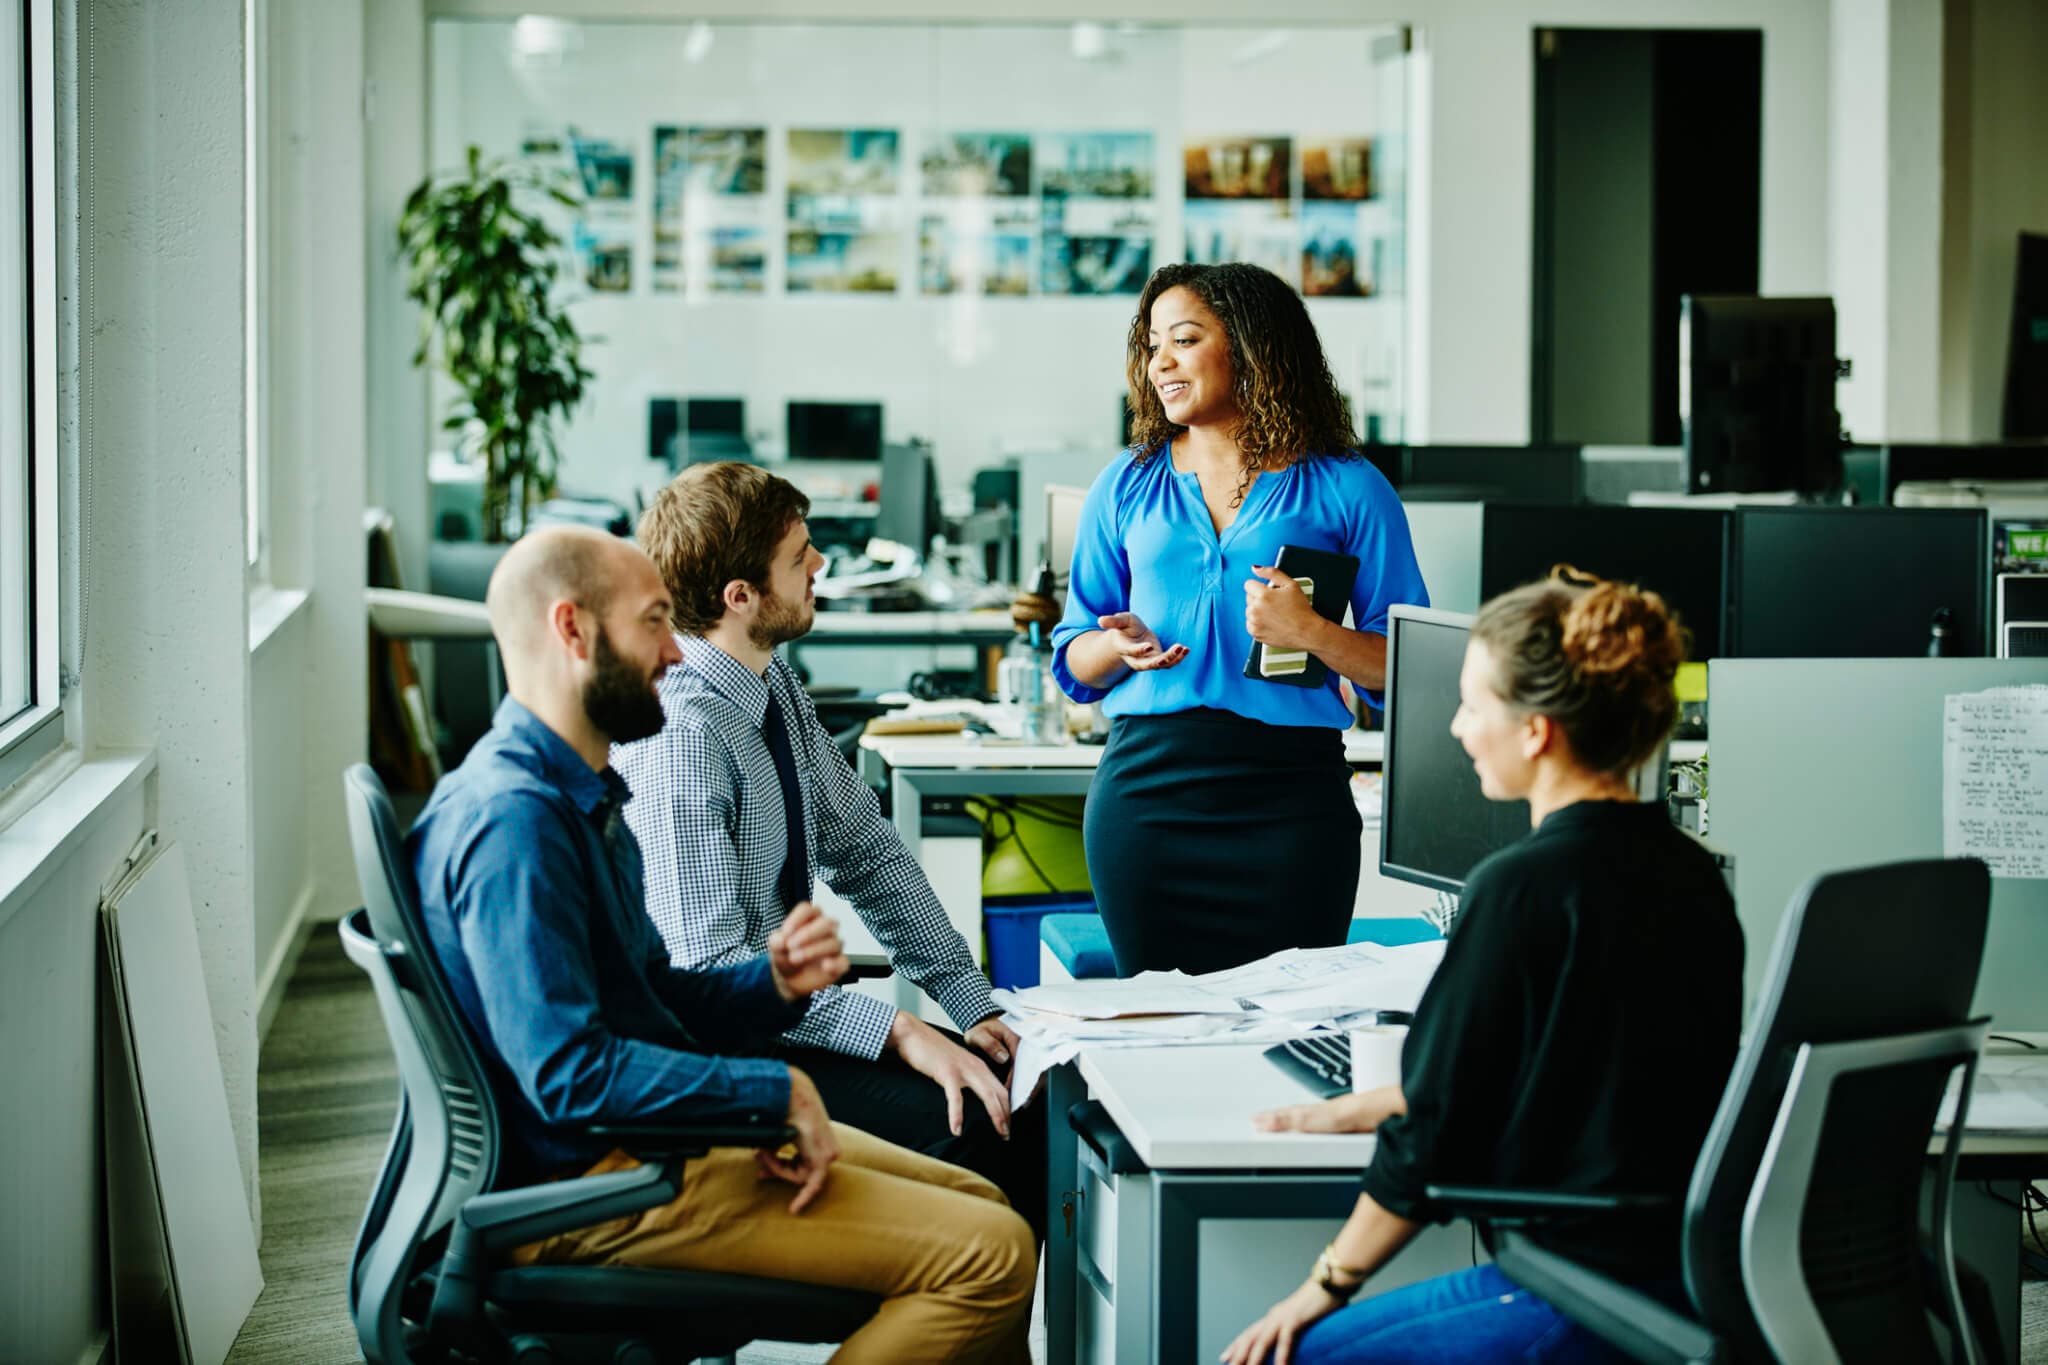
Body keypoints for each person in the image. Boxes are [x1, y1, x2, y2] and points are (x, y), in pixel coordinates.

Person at [409, 526, 1034, 1365]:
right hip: (602, 1183)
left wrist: (770, 983)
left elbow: (655, 994)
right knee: (990, 1256)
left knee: (989, 1201)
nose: (676, 650)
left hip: (649, 1142)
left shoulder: (576, 788)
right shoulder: (514, 822)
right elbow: (569, 1073)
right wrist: (768, 1090)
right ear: (573, 630)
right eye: (654, 623)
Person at [1221, 568, 1744, 1365]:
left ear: (1536, 730)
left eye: (1474, 705)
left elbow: (1431, 1142)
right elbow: (1579, 1065)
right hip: (1688, 1274)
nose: (1459, 728)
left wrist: (1319, 1286)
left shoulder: (1523, 887)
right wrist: (1371, 1101)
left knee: (1293, 1354)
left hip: (1576, 1285)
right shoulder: (1691, 871)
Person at [615, 462, 1045, 1238]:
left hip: (784, 1021)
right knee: (985, 1127)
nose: (822, 566)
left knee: (1022, 1090)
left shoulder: (770, 686)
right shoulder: (682, 740)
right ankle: (946, 1299)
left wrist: (967, 1003)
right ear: (738, 597)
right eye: (799, 556)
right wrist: (897, 1029)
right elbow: (710, 971)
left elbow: (867, 851)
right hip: (723, 1057)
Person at [1051, 261, 1429, 976]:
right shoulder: (1126, 483)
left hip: (1291, 806)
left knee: (1292, 1031)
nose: (1160, 361)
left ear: (1252, 347)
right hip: (1147, 801)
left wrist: (1312, 633)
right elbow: (1071, 658)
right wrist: (1114, 644)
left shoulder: (1348, 486)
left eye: (1184, 339)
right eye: (1152, 344)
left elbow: (1410, 671)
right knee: (1159, 1030)